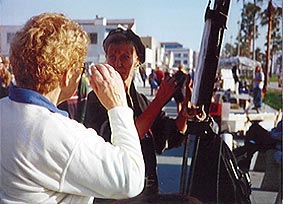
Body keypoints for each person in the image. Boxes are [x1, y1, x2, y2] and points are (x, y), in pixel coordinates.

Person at [0, 13, 145, 203]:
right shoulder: (58, 134)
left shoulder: (4, 109)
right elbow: (131, 178)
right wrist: (118, 107)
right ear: (67, 75)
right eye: (81, 68)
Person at [84, 27, 206, 197]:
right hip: (115, 196)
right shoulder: (97, 98)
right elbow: (125, 136)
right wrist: (159, 100)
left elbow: (170, 136)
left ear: (137, 60)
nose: (117, 64)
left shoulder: (141, 101)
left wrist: (184, 114)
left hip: (146, 193)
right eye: (112, 57)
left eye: (125, 57)